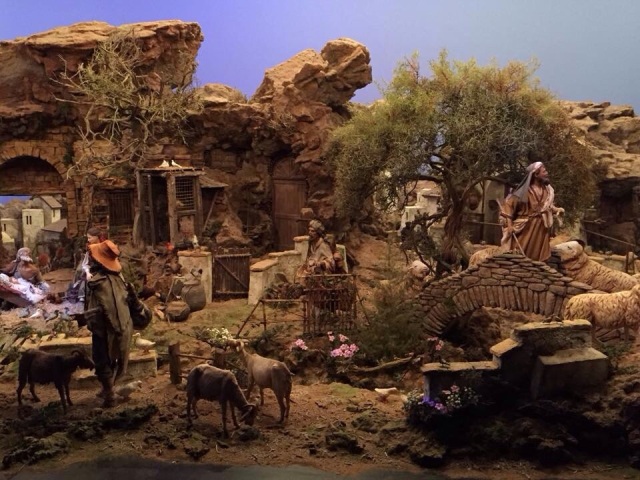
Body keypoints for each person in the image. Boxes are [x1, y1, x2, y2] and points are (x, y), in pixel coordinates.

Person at [84, 239, 133, 408]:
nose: (90, 260)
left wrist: (87, 317)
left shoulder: (101, 283)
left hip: (106, 329)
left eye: (92, 258)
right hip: (116, 327)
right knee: (109, 358)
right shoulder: (117, 278)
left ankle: (110, 394)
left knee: (102, 360)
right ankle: (107, 389)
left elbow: (107, 309)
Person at [500, 161, 564, 262]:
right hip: (526, 227)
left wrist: (557, 210)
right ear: (536, 174)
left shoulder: (547, 190)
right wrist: (510, 225)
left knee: (538, 254)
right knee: (521, 250)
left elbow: (546, 207)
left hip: (541, 228)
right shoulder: (525, 191)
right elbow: (509, 205)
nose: (547, 173)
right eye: (544, 171)